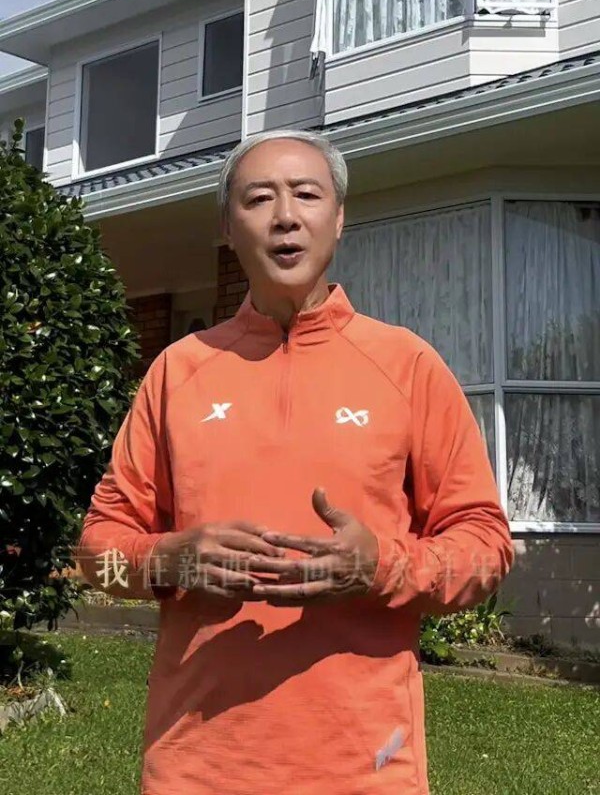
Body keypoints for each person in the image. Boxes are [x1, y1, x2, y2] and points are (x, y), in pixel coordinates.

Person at [78, 129, 515, 795]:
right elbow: (97, 551)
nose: (285, 216)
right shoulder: (178, 372)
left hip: (365, 768)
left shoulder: (407, 366)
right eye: (259, 199)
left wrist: (380, 567)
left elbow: (485, 548)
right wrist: (168, 560)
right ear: (227, 229)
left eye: (306, 195)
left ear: (338, 219)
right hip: (196, 768)